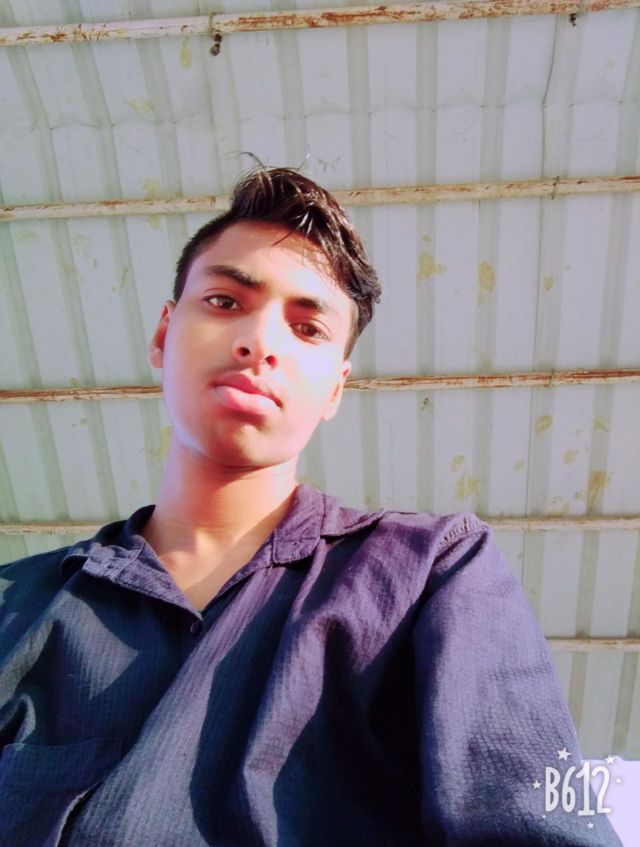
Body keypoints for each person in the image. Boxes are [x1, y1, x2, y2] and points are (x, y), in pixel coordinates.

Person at [0, 167, 622, 847]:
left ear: (336, 390)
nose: (260, 342)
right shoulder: (16, 604)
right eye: (224, 300)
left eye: (307, 328)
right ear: (163, 333)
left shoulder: (429, 572)